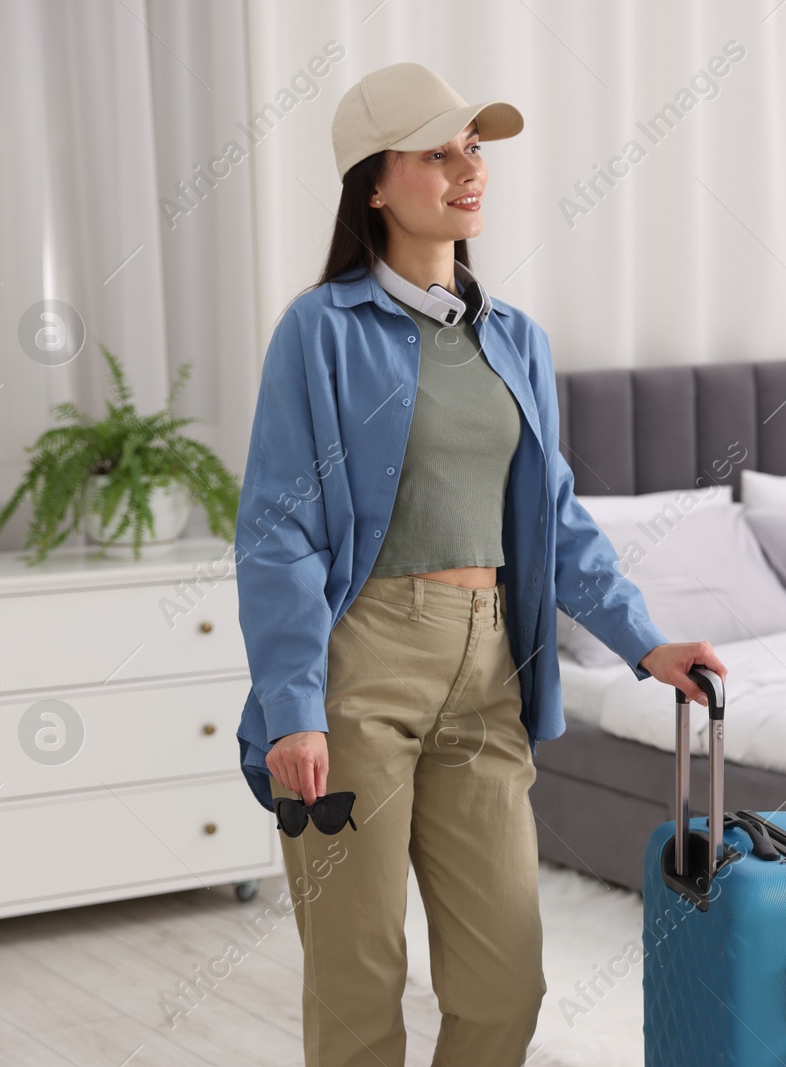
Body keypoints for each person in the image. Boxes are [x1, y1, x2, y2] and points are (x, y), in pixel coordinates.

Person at [232, 61, 728, 1067]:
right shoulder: (318, 333)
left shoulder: (517, 342)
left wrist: (645, 642)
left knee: (506, 979)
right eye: (438, 151)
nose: (470, 169)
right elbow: (277, 532)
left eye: (476, 149)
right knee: (358, 978)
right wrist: (294, 705)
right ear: (374, 184)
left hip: (490, 672)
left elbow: (554, 519)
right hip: (362, 666)